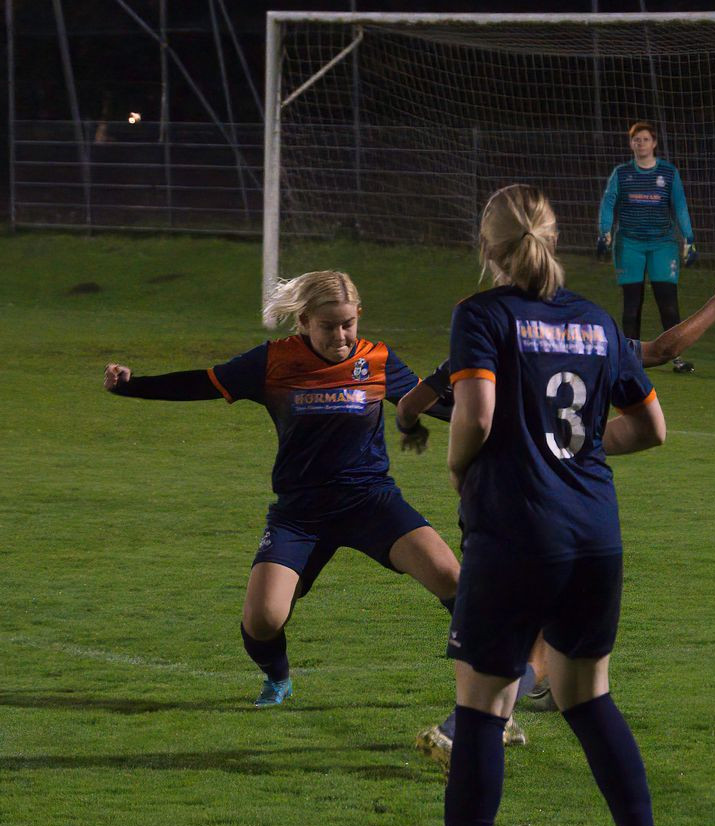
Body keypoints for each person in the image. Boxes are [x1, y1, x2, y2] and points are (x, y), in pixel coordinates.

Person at [416, 184, 675, 826]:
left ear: (488, 247)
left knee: (482, 709)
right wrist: (575, 450)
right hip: (595, 535)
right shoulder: (595, 320)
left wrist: (459, 468)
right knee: (588, 698)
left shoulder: (482, 314)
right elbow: (651, 427)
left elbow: (476, 416)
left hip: (516, 534)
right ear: (553, 239)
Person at [400, 269, 715, 768]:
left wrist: (412, 427)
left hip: (501, 507)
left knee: (506, 639)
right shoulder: (590, 329)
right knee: (557, 654)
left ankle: (478, 724)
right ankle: (494, 718)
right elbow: (660, 356)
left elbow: (415, 404)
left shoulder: (482, 334)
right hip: (580, 511)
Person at [102, 270, 462, 707]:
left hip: (370, 502)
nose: (341, 335)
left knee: (453, 579)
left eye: (348, 323)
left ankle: (494, 679)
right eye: (328, 326)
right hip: (300, 514)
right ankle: (278, 677)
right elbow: (204, 382)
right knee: (263, 620)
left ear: (359, 315)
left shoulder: (377, 359)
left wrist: (494, 401)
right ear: (304, 321)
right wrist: (132, 386)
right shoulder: (273, 361)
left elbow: (438, 406)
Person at [597, 121, 698, 373]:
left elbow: (680, 206)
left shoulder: (668, 173)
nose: (640, 143)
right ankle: (630, 359)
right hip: (629, 245)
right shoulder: (621, 173)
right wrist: (604, 231)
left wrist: (689, 238)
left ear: (654, 143)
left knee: (668, 303)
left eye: (645, 139)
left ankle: (677, 358)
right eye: (636, 139)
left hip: (662, 245)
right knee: (632, 304)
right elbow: (608, 202)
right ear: (631, 144)